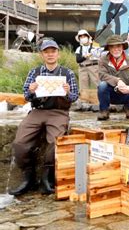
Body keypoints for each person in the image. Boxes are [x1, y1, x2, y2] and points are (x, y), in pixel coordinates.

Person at [9, 40, 78, 196]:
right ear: (42, 55)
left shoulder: (68, 73)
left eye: (53, 51)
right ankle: (29, 177)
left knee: (55, 141)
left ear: (58, 54)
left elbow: (74, 98)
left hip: (59, 112)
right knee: (19, 143)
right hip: (37, 111)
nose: (50, 54)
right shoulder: (35, 72)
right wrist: (31, 90)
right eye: (46, 52)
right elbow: (26, 96)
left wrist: (67, 92)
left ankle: (47, 177)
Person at [97, 35, 129, 120]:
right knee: (102, 85)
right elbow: (102, 75)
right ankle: (104, 110)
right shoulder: (103, 60)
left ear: (122, 47)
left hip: (127, 93)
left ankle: (128, 108)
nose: (116, 49)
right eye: (112, 46)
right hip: (110, 93)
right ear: (108, 48)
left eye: (118, 46)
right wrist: (117, 81)